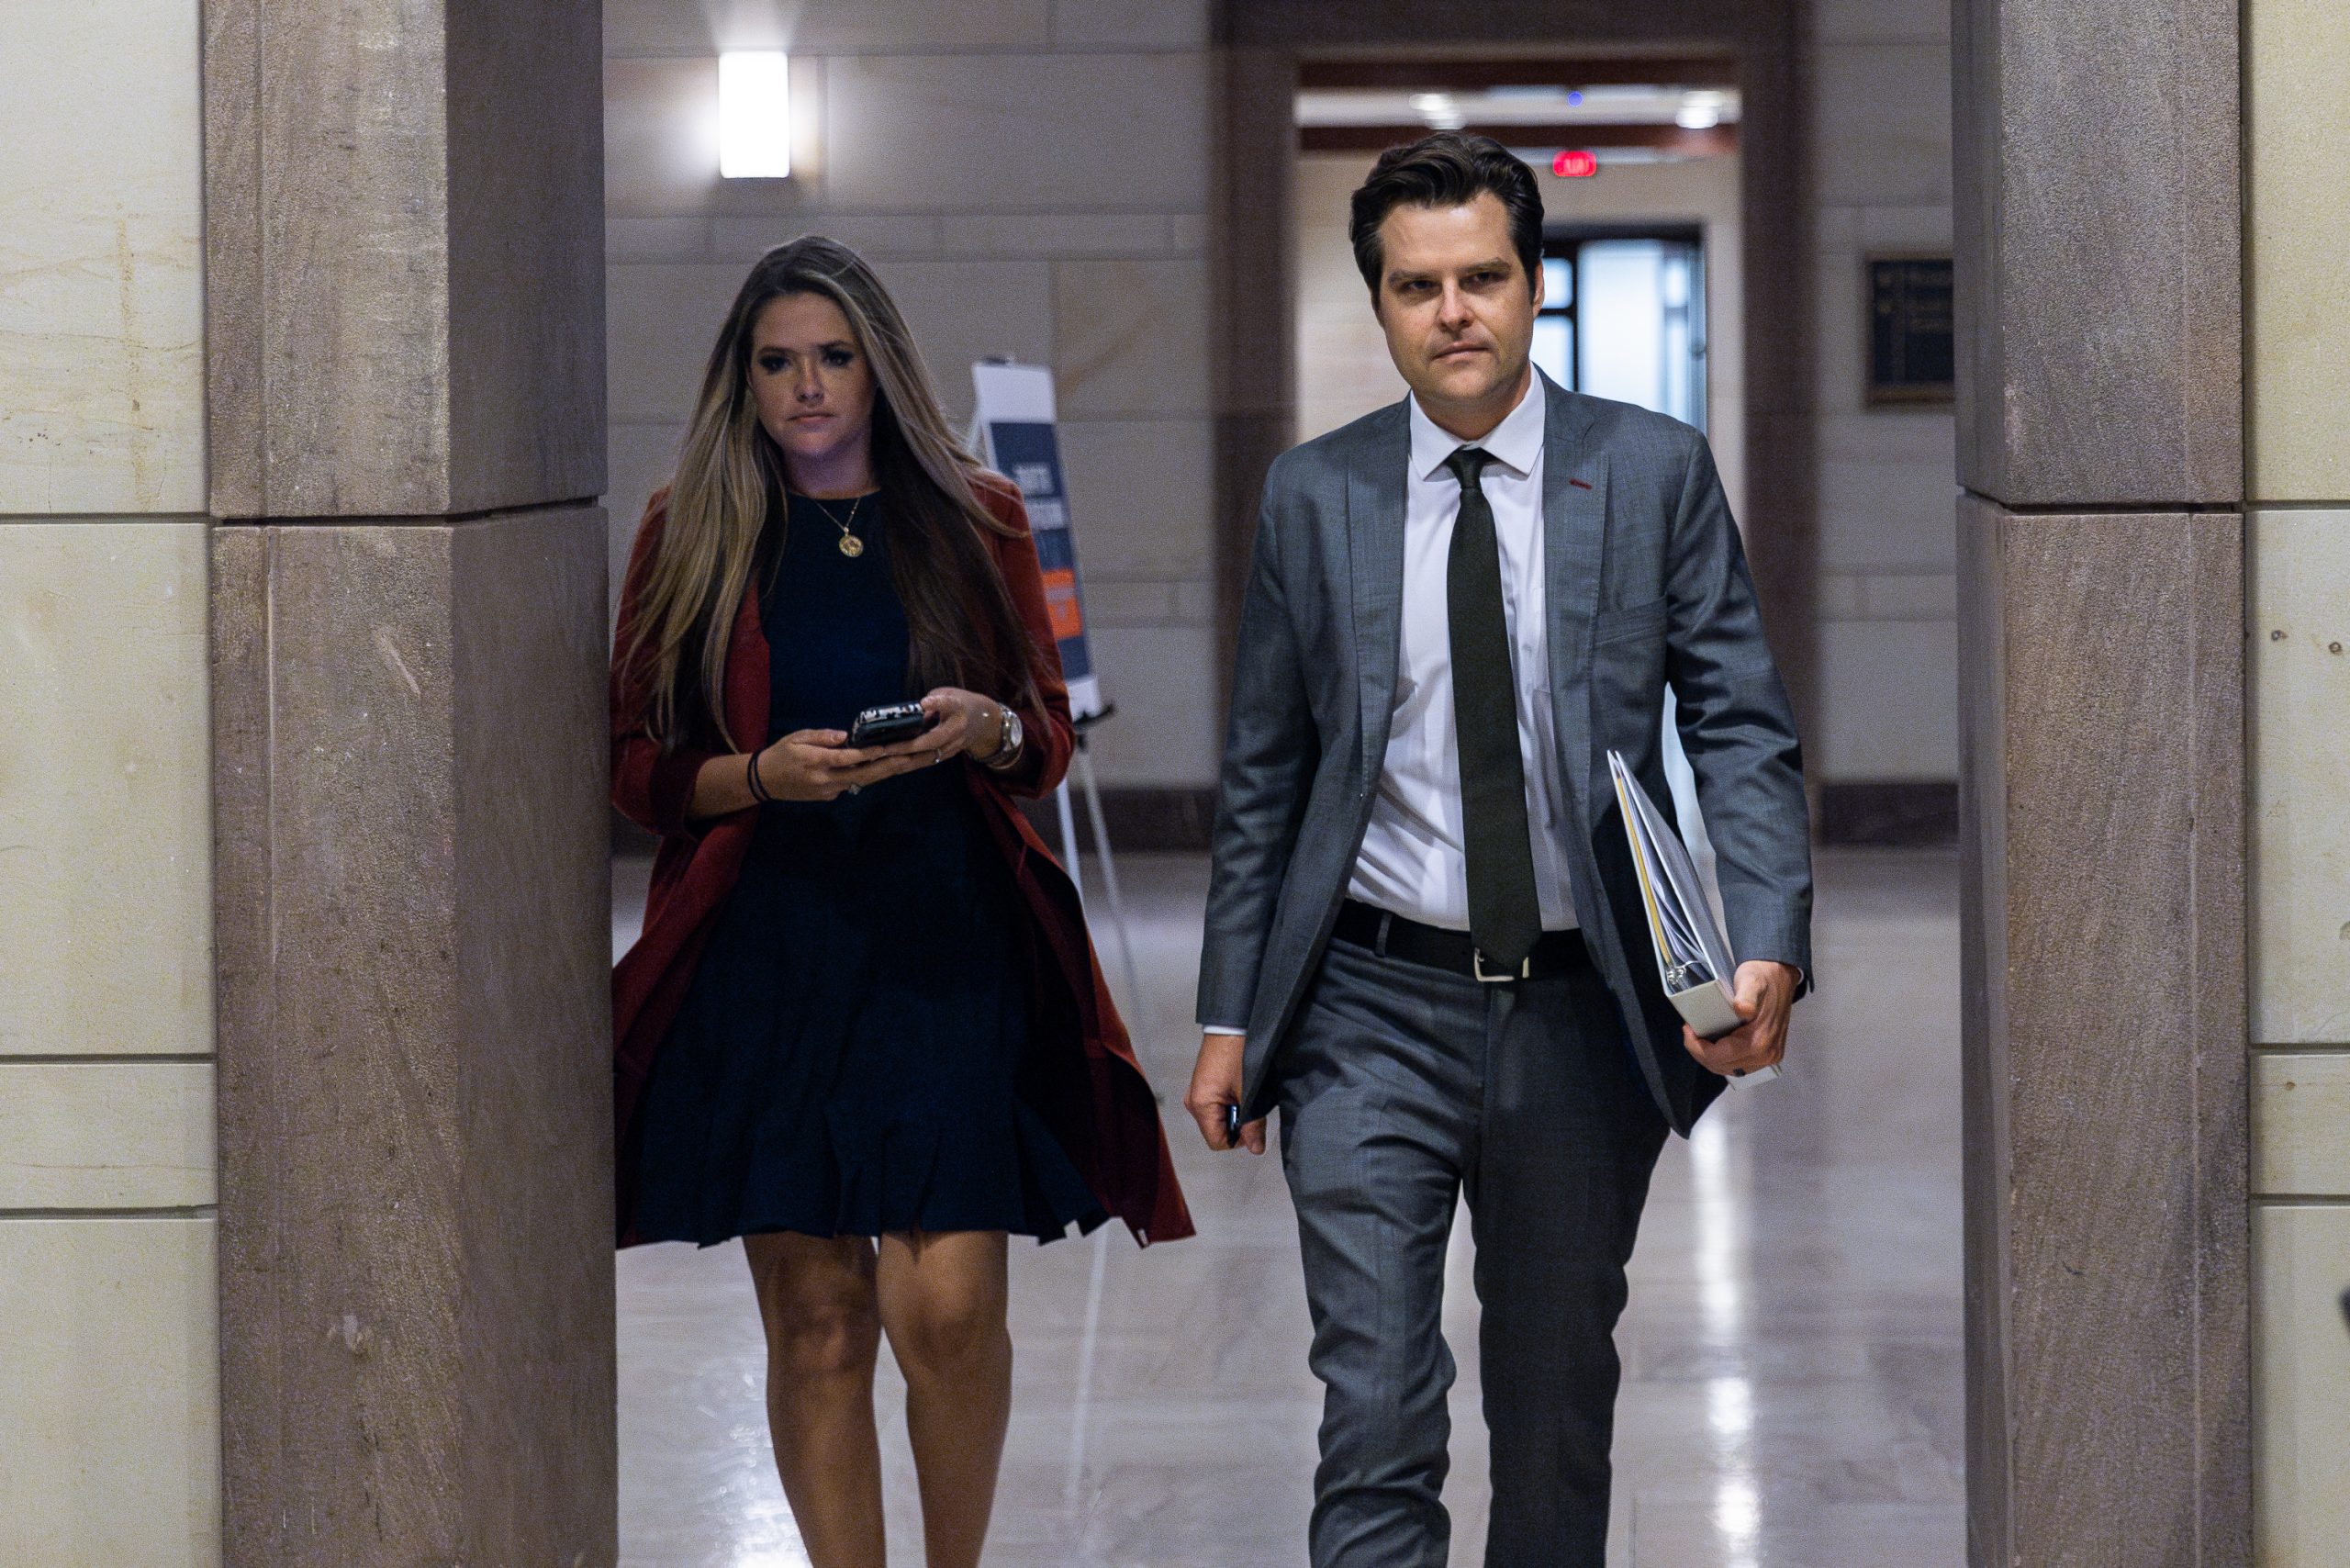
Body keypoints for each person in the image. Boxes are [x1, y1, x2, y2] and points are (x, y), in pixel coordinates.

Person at [1184, 132, 1813, 1565]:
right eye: (1418, 287)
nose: (1453, 311)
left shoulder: (1648, 473)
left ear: (1533, 288)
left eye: (1483, 278)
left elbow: (1739, 723)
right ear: (1382, 307)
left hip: (1584, 1013)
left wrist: (1766, 933)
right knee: (1377, 1409)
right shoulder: (1315, 494)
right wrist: (1232, 1015)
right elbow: (1266, 774)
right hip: (1365, 1007)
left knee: (1549, 1415)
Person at [609, 236, 1192, 1568]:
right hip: (770, 945)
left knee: (950, 1309)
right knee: (815, 1315)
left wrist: (984, 726)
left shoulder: (975, 515)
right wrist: (757, 773)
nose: (807, 386)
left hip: (941, 940)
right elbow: (634, 768)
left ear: (879, 366)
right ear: (739, 381)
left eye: (833, 357)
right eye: (777, 362)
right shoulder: (688, 530)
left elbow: (1044, 736)